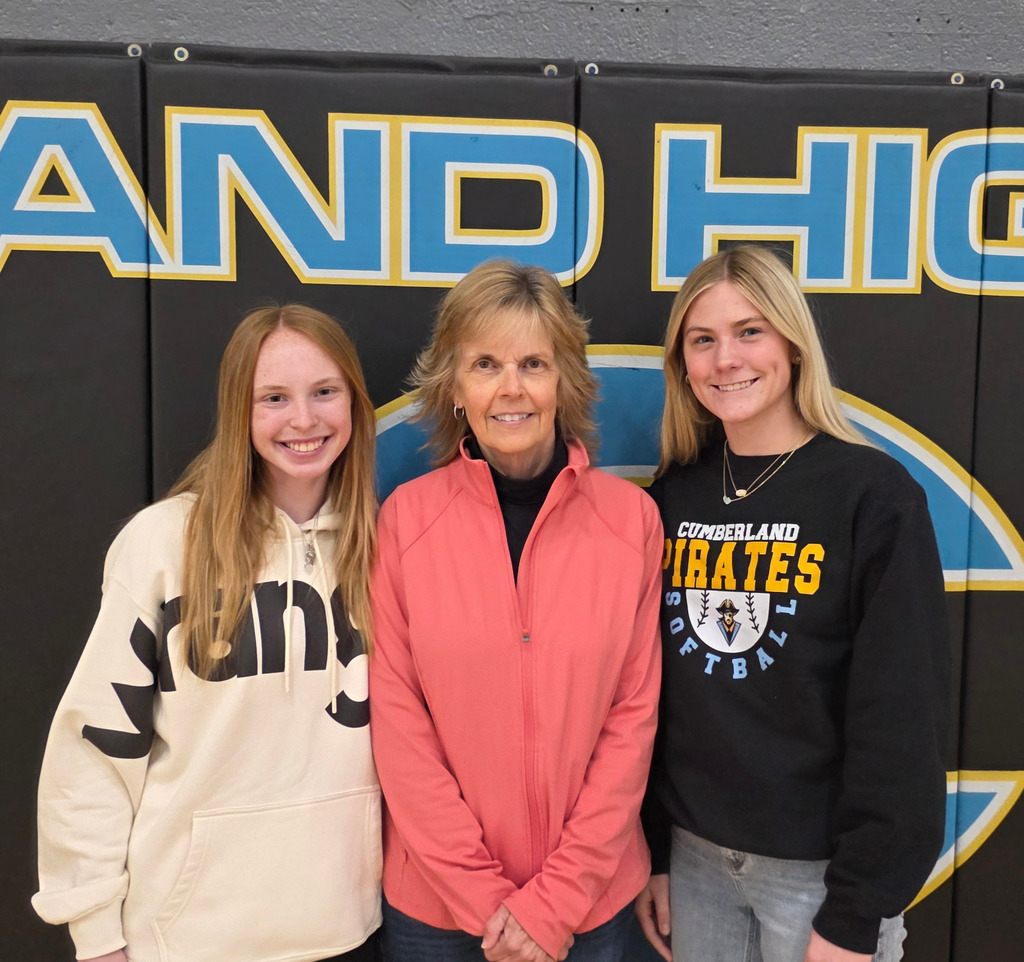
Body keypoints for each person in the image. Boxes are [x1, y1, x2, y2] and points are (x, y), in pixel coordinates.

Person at [33, 305, 382, 962]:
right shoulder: (165, 544)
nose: (304, 420)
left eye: (324, 392)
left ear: (354, 405)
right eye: (274, 398)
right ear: (238, 411)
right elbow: (95, 751)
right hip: (188, 938)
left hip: (350, 933)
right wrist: (96, 930)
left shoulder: (383, 548)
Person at [635, 246, 950, 962]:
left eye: (751, 331)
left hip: (820, 883)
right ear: (682, 362)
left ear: (793, 344)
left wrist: (857, 912)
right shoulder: (672, 497)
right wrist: (653, 852)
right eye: (702, 339)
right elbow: (651, 696)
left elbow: (903, 717)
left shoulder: (872, 497)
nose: (726, 359)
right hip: (694, 867)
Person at [369, 260, 663, 962]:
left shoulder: (632, 522)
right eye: (485, 364)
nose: (511, 388)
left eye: (534, 362)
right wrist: (488, 903)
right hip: (438, 914)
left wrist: (553, 903)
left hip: (593, 908)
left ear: (564, 378)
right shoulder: (405, 522)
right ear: (455, 386)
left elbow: (632, 724)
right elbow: (400, 728)